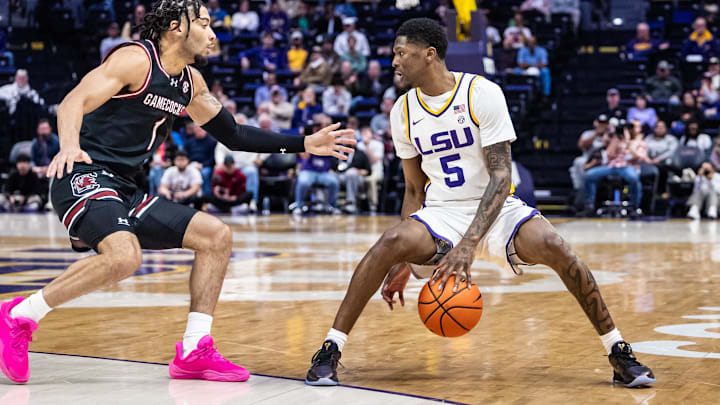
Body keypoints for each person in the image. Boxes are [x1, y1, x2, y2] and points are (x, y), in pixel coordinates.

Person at [0, 0, 354, 385]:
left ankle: (193, 350)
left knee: (216, 236)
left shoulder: (190, 83)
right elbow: (73, 101)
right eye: (203, 24)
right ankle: (19, 317)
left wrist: (304, 142)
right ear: (175, 27)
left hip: (124, 189)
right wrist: (69, 145)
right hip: (83, 174)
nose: (213, 33)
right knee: (125, 256)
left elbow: (233, 134)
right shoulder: (136, 60)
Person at [304, 18, 654, 388]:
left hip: (497, 207)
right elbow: (412, 190)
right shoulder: (402, 111)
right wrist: (405, 257)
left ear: (429, 55)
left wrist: (469, 245)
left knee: (556, 246)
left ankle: (618, 351)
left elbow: (502, 178)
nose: (394, 61)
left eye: (401, 53)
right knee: (387, 244)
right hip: (442, 213)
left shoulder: (480, 93)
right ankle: (330, 349)